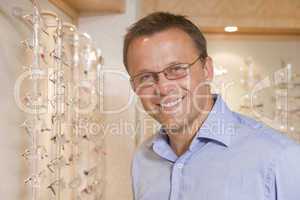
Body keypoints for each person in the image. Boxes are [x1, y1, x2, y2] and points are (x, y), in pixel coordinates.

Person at [123, 12, 300, 200]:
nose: (164, 88)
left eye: (176, 69)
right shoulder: (143, 160)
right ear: (134, 86)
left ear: (207, 69)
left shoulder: (280, 158)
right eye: (146, 77)